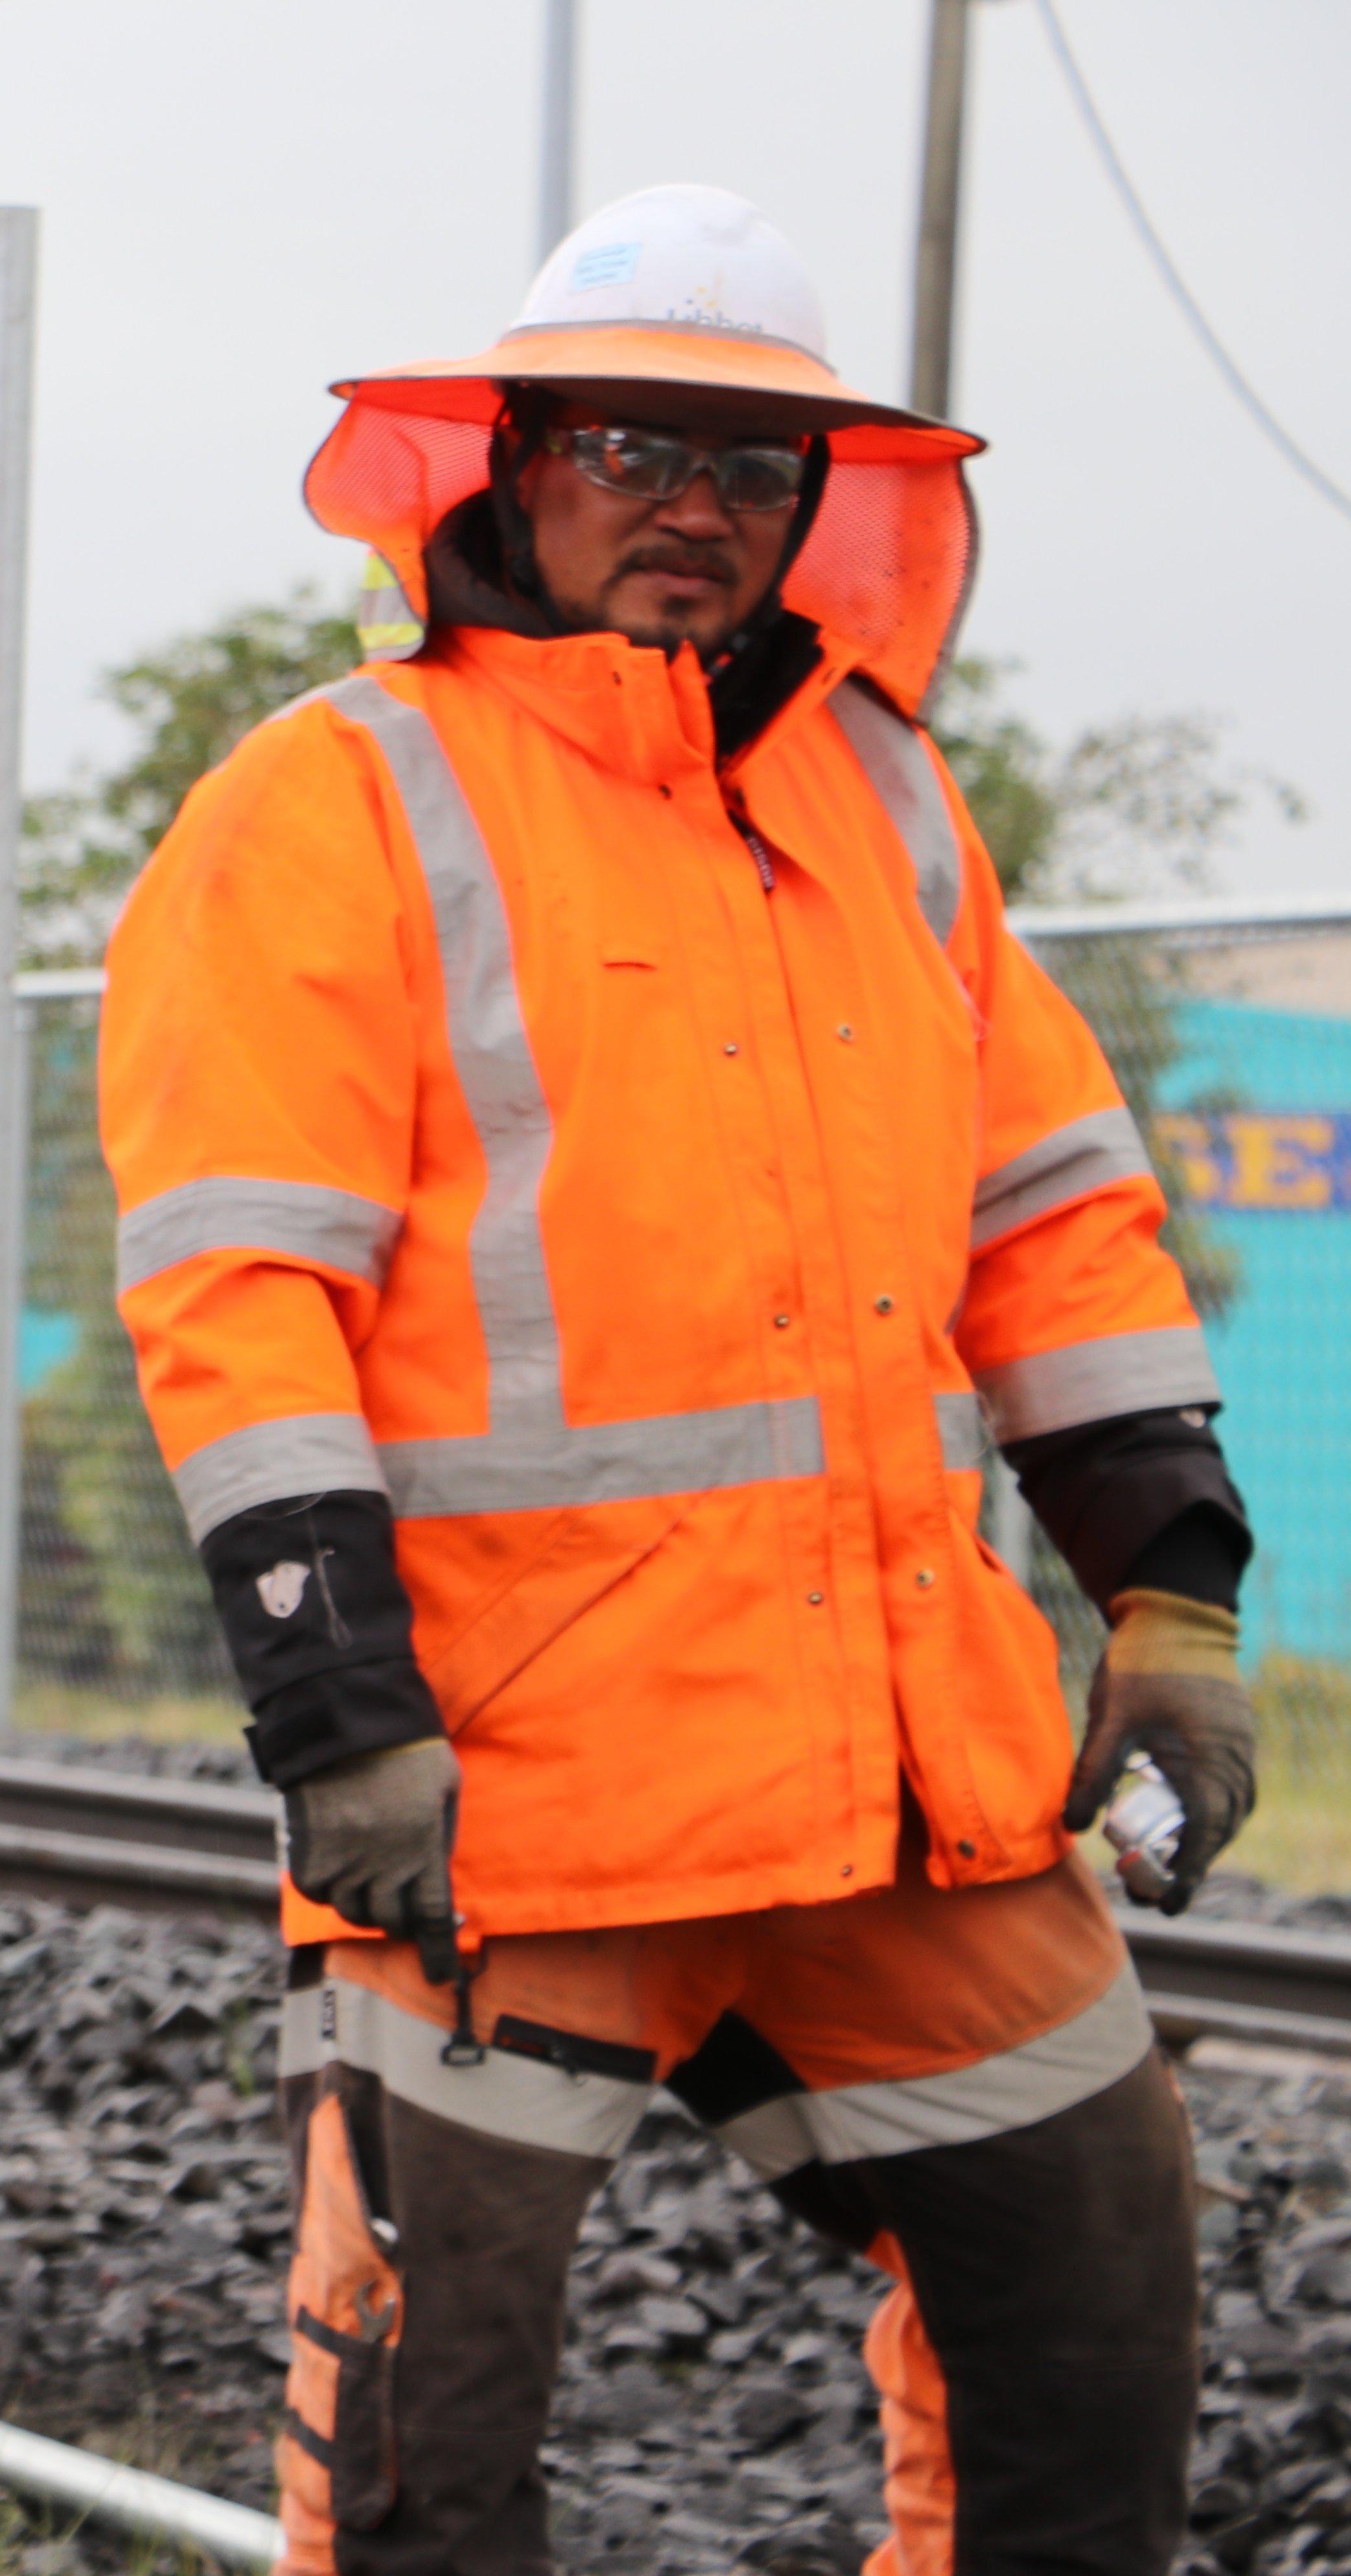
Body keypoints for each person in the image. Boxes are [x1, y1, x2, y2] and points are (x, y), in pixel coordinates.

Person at [99, 186, 1252, 2576]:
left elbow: (1054, 1227)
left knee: (1097, 2342)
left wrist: (1175, 1607)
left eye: (748, 459)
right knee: (433, 2455)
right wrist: (340, 1712)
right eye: (632, 441)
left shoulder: (896, 808)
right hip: (519, 1786)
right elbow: (240, 1286)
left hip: (901, 1774)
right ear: (514, 465)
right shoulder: (335, 799)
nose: (691, 499)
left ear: (826, 506)